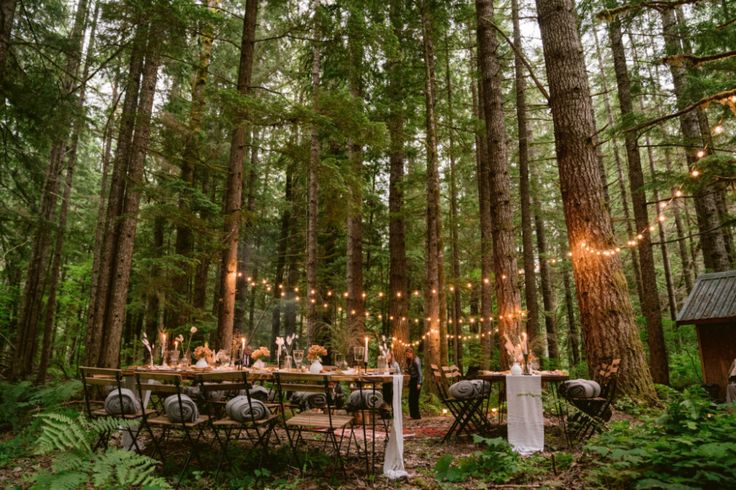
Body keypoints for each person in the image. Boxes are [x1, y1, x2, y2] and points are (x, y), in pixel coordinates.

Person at [406, 347, 422, 419]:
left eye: (409, 353)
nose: (408, 354)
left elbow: (419, 372)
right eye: (407, 353)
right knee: (410, 399)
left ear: (412, 353)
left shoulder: (416, 360)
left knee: (414, 399)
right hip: (412, 380)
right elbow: (411, 371)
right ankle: (412, 415)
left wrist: (419, 383)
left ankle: (417, 416)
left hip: (417, 381)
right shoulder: (409, 361)